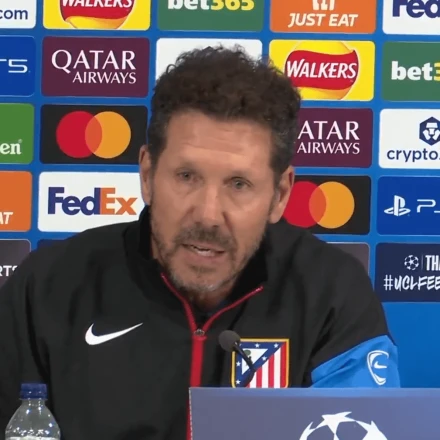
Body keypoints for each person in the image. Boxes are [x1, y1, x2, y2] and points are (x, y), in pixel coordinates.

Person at [0, 46, 400, 440]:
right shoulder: (49, 287)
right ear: (147, 175)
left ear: (280, 195)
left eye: (238, 184)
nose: (208, 215)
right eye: (187, 177)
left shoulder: (330, 293)